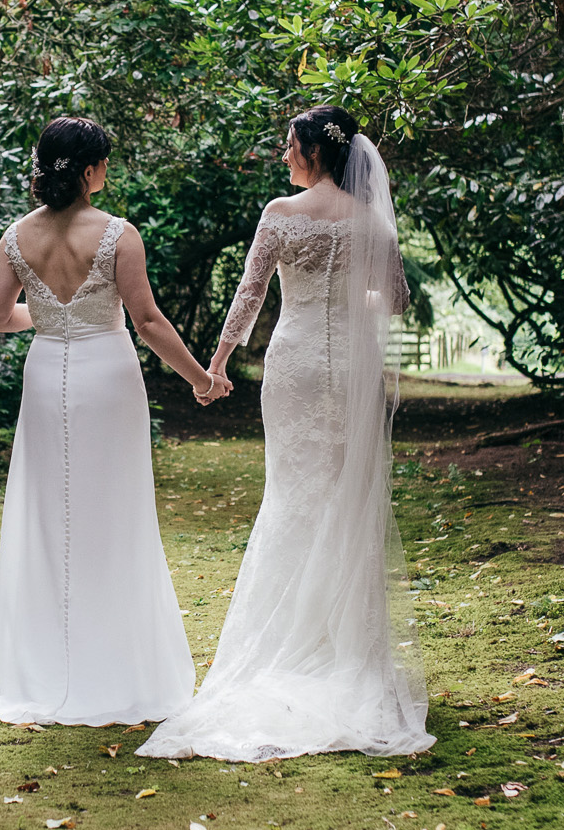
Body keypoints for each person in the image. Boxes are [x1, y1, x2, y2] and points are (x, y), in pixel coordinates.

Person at [139, 106, 429, 761]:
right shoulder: (371, 221)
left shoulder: (280, 213)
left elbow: (249, 295)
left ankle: (285, 647)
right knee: (343, 498)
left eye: (288, 144)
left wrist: (214, 364)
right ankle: (341, 649)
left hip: (294, 364)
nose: (282, 154)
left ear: (313, 153)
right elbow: (398, 298)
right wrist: (357, 302)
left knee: (293, 495)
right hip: (352, 366)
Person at [0, 116, 229, 727]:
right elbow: (147, 322)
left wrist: (44, 316)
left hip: (46, 377)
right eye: (106, 162)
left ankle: (50, 669)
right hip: (108, 376)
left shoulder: (17, 236)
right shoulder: (119, 235)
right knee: (115, 515)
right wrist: (201, 378)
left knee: (50, 515)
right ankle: (118, 668)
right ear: (90, 170)